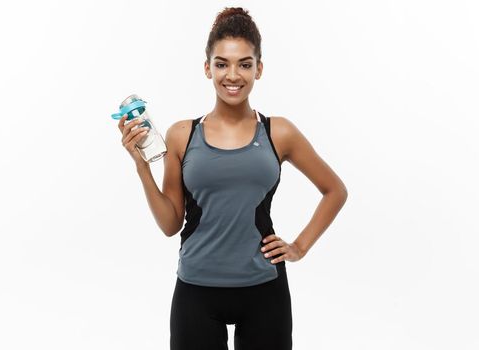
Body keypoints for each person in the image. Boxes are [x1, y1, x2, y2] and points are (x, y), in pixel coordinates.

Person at [117, 7, 347, 350]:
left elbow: (334, 191)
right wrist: (141, 166)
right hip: (196, 291)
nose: (233, 75)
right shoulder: (182, 135)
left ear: (259, 68)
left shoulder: (278, 132)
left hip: (264, 290)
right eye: (222, 63)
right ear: (207, 67)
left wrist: (299, 247)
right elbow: (169, 224)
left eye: (245, 63)